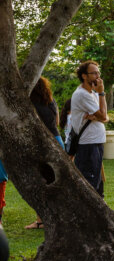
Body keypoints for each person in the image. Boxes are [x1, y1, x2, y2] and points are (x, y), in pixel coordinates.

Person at [25, 77, 66, 229]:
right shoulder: (51, 100)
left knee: (41, 181)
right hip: (57, 139)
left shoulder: (28, 102)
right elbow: (56, 122)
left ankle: (41, 220)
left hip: (41, 142)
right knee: (56, 180)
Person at [71, 60, 108, 197]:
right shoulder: (83, 94)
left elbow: (105, 117)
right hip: (88, 144)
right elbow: (104, 117)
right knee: (89, 183)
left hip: (95, 142)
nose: (98, 77)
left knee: (97, 182)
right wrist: (102, 93)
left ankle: (99, 214)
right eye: (94, 73)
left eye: (98, 73)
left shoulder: (92, 94)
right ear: (84, 76)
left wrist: (98, 116)